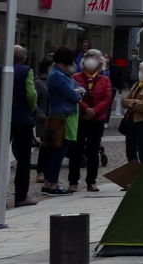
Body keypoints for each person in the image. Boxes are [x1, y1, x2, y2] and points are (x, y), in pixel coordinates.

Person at [0, 45, 38, 207]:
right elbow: (31, 94)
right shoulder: (27, 71)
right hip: (22, 121)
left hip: (0, 120)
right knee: (24, 159)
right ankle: (21, 197)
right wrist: (31, 110)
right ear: (24, 58)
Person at [68, 49, 112, 192]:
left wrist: (95, 111)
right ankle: (73, 181)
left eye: (94, 58)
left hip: (97, 119)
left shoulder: (104, 80)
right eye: (88, 58)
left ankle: (91, 181)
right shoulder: (75, 77)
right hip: (81, 118)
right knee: (76, 150)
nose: (90, 61)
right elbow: (74, 95)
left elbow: (106, 99)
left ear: (100, 63)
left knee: (94, 151)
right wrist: (86, 109)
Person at [43, 47, 83, 196]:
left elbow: (78, 89)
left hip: (63, 115)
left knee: (58, 150)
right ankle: (51, 184)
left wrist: (77, 92)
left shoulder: (63, 75)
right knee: (58, 150)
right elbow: (75, 95)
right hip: (61, 116)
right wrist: (78, 94)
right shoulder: (57, 76)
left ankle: (51, 182)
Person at [34, 58, 53, 183]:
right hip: (44, 119)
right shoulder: (39, 83)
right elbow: (33, 103)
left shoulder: (55, 80)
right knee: (45, 145)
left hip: (56, 117)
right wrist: (42, 116)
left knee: (53, 146)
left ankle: (49, 172)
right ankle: (41, 172)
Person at [103, 54, 124, 128]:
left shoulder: (114, 67)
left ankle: (106, 121)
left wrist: (120, 87)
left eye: (107, 57)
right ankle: (101, 120)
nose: (106, 59)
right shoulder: (100, 67)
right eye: (104, 57)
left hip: (111, 88)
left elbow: (119, 78)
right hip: (101, 88)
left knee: (108, 105)